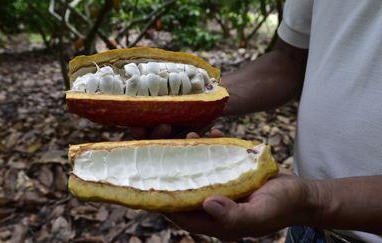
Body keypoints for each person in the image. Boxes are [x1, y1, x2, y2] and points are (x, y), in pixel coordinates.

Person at [131, 1, 382, 242]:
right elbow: (289, 60)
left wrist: (316, 199)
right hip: (307, 229)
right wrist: (199, 101)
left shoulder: (309, 201)